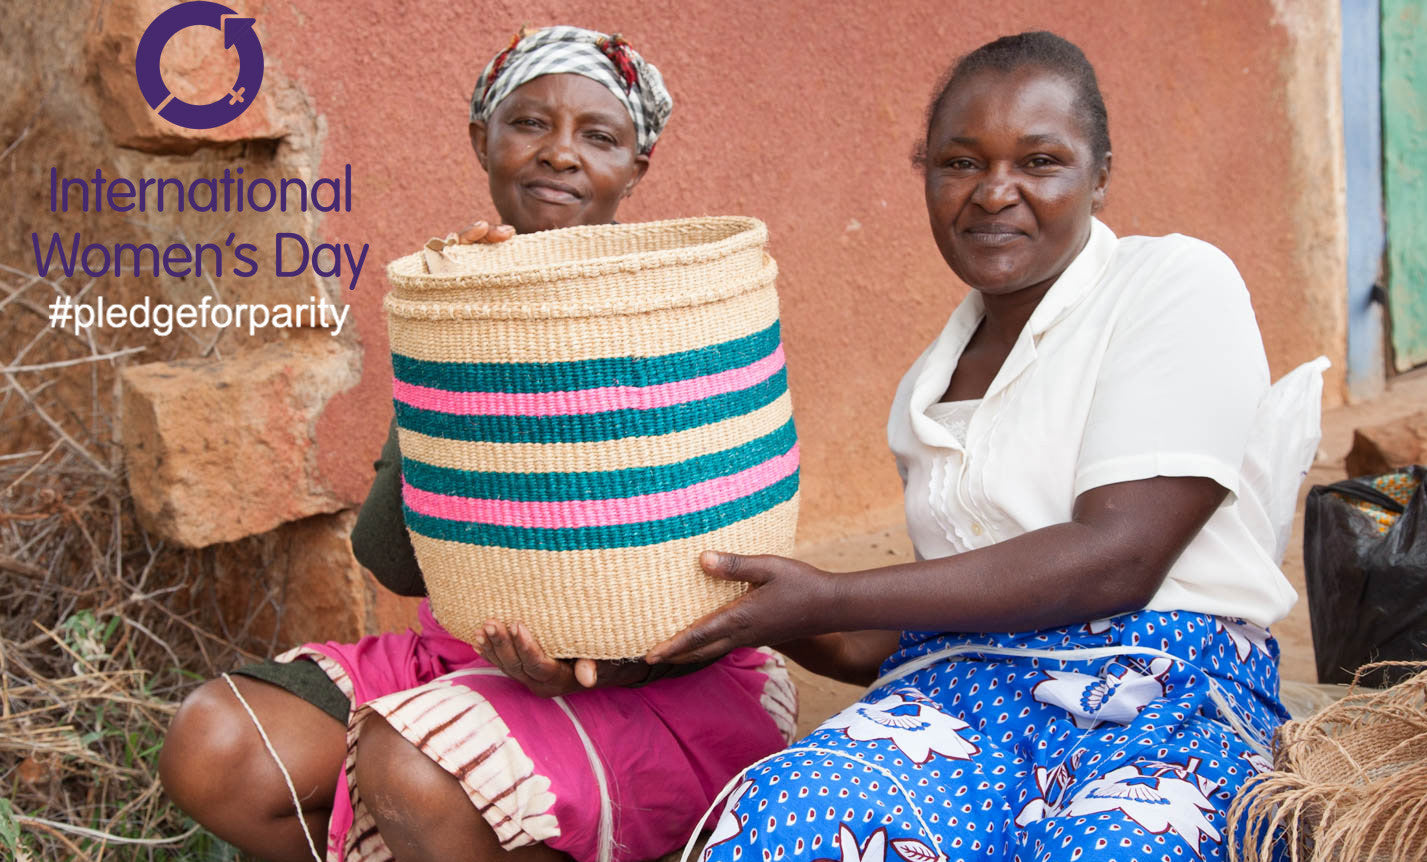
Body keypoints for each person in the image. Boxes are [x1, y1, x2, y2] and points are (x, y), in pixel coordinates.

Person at [646, 31, 1299, 862]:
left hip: (1164, 691)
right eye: (960, 164)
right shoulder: (927, 386)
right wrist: (756, 611)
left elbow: (1119, 557)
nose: (995, 193)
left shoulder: (1172, 284)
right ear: (926, 177)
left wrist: (831, 595)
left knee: (1117, 845)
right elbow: (917, 622)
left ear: (1099, 175)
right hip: (960, 696)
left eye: (1039, 161)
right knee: (787, 812)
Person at [158, 27, 796, 862]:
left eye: (599, 137)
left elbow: (717, 577)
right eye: (529, 124)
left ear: (637, 166)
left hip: (666, 681)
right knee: (218, 749)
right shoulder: (454, 294)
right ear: (482, 141)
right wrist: (458, 339)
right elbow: (391, 557)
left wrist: (595, 668)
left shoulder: (673, 311)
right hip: (467, 653)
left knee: (423, 776)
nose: (560, 155)